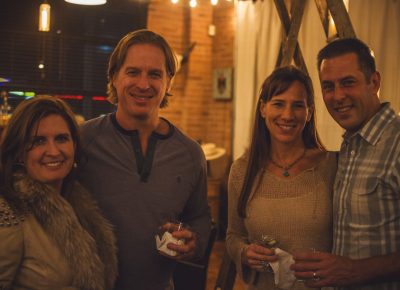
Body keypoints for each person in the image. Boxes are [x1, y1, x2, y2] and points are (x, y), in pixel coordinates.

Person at [78, 29, 211, 290]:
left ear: (169, 82)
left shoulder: (190, 153)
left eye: (154, 74)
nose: (143, 84)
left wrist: (196, 241)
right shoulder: (82, 141)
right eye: (132, 72)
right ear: (114, 76)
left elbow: (200, 217)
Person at [291, 38, 400, 290]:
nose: (338, 96)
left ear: (374, 82)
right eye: (328, 86)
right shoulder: (351, 145)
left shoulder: (395, 143)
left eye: (348, 83)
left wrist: (354, 270)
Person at [226, 65, 337, 289]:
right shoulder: (241, 170)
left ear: (309, 113)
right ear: (263, 109)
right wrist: (244, 252)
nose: (287, 115)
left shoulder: (331, 165)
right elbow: (233, 235)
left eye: (298, 105)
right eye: (278, 104)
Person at [0, 96, 118, 290]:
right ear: (20, 152)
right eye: (38, 141)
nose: (53, 151)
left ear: (74, 145)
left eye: (61, 138)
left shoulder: (80, 204)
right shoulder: (9, 213)